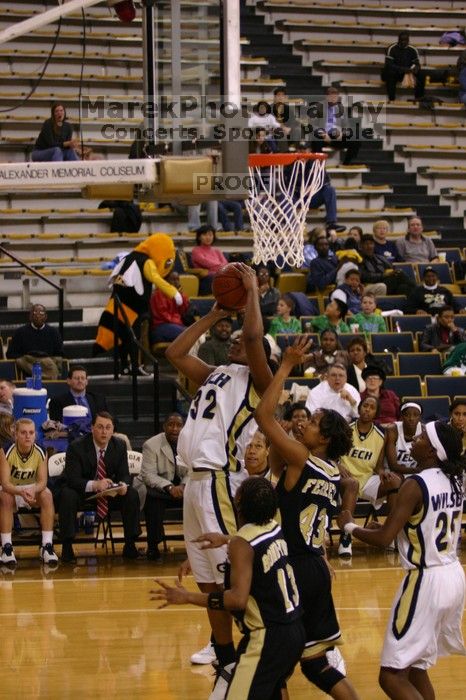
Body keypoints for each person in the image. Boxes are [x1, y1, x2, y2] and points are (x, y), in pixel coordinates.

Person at [164, 263, 273, 694]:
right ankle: (225, 663)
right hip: (193, 484)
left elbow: (250, 337)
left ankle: (265, 649)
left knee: (234, 581)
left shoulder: (259, 380)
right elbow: (174, 353)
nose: (235, 344)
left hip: (217, 484)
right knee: (208, 582)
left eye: (245, 345)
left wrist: (250, 291)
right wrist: (212, 315)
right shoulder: (216, 374)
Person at [254, 338, 360, 699]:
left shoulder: (302, 458)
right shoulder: (331, 470)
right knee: (316, 664)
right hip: (316, 565)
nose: (306, 423)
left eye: (313, 422)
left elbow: (262, 417)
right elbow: (276, 459)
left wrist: (285, 366)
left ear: (325, 438)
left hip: (293, 567)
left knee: (272, 658)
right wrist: (291, 430)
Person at [339, 421, 465, 700]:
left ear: (432, 451)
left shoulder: (415, 485)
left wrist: (350, 525)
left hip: (425, 580)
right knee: (417, 668)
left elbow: (384, 539)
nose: (414, 440)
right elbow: (421, 521)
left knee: (391, 675)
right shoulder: (456, 478)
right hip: (453, 575)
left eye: (421, 437)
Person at [151, 477, 305, 700]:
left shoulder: (242, 543)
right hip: (294, 630)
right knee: (275, 692)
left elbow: (237, 600)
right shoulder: (274, 528)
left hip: (267, 638)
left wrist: (188, 597)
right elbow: (255, 545)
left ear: (238, 502)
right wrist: (225, 539)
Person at [58, 411, 140, 563]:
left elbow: (124, 474)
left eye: (108, 428)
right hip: (83, 491)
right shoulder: (77, 447)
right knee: (67, 495)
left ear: (113, 430)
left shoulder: (119, 445)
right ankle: (67, 546)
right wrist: (95, 485)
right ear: (92, 428)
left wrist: (123, 484)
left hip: (108, 492)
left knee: (131, 494)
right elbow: (72, 479)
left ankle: (130, 543)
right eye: (100, 427)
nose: (104, 432)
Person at [93, 233, 179, 374]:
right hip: (134, 307)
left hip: (117, 302)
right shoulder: (147, 262)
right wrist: (174, 293)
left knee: (121, 335)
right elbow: (157, 279)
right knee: (133, 337)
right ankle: (134, 366)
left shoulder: (129, 257)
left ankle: (125, 366)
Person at [339, 396, 400, 557]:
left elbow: (378, 466)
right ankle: (346, 536)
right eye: (365, 405)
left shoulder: (382, 434)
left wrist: (383, 472)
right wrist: (337, 465)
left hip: (366, 480)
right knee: (352, 484)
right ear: (359, 408)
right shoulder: (346, 427)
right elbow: (332, 453)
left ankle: (390, 532)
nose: (367, 409)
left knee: (395, 482)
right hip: (344, 479)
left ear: (376, 413)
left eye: (372, 407)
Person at [0, 418, 59, 566]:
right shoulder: (6, 451)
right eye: (23, 433)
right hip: (12, 489)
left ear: (35, 435)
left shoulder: (40, 451)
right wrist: (21, 493)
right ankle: (7, 548)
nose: (27, 436)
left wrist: (33, 490)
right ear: (16, 434)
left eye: (31, 433)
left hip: (32, 488)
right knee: (5, 497)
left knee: (46, 495)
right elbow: (5, 484)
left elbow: (42, 482)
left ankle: (47, 546)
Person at [133, 413, 186, 561]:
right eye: (171, 425)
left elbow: (193, 470)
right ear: (164, 427)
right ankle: (153, 545)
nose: (175, 429)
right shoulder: (151, 445)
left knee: (200, 494)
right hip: (158, 488)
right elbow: (148, 475)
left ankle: (196, 544)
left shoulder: (189, 443)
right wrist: (170, 487)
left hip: (182, 487)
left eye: (178, 425)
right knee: (153, 500)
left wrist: (182, 485)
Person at [6, 303, 64, 380]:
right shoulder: (20, 332)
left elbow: (60, 353)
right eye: (35, 313)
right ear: (30, 317)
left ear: (46, 317)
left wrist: (44, 362)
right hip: (27, 369)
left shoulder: (54, 332)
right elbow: (11, 353)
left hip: (48, 367)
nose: (38, 315)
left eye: (41, 313)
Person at [309, 86, 361, 165]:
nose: (334, 98)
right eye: (331, 96)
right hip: (323, 135)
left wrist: (342, 133)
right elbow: (312, 125)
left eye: (335, 97)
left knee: (356, 140)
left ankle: (346, 164)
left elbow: (347, 126)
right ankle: (317, 165)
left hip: (336, 136)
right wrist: (323, 134)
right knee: (316, 139)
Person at [383, 31, 426, 102]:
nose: (403, 42)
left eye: (405, 40)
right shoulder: (392, 48)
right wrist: (403, 69)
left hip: (408, 73)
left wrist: (416, 68)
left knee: (422, 74)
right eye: (401, 40)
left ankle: (418, 98)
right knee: (389, 73)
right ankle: (391, 99)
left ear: (408, 40)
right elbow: (389, 65)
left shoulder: (413, 49)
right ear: (398, 40)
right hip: (396, 72)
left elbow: (417, 64)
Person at [150, 270, 191, 343]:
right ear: (165, 281)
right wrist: (179, 323)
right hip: (161, 327)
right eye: (173, 279)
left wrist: (181, 294)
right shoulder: (158, 294)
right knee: (189, 334)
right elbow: (163, 316)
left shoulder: (176, 295)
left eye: (178, 279)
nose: (177, 282)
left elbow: (183, 311)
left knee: (194, 333)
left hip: (175, 325)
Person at [385, 401, 423, 476]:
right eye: (407, 415)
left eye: (416, 415)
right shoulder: (392, 429)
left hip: (415, 473)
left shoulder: (424, 430)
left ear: (420, 417)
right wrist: (418, 470)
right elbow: (393, 466)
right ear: (401, 416)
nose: (411, 418)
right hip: (393, 474)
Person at [190, 225, 229, 295]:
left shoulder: (217, 251)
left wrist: (218, 269)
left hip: (220, 275)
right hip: (206, 279)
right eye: (205, 235)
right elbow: (207, 264)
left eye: (210, 235)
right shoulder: (196, 251)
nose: (208, 237)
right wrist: (220, 268)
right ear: (199, 237)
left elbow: (226, 264)